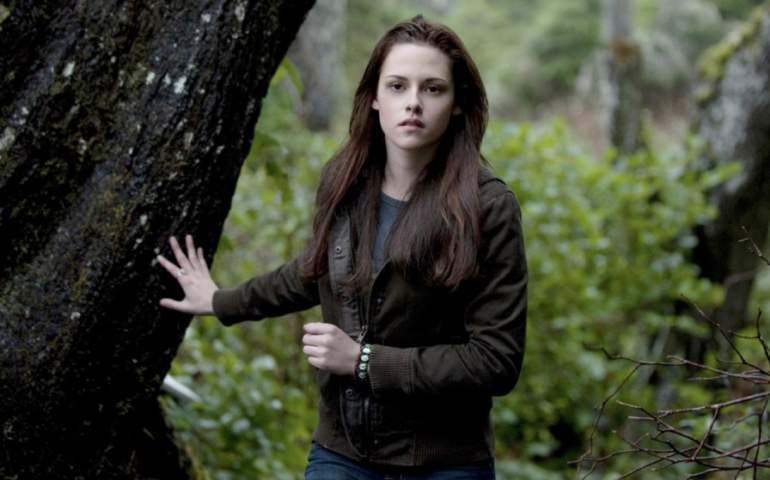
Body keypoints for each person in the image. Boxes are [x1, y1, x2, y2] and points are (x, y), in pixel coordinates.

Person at [157, 15, 527, 480]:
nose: (413, 102)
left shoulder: (489, 207)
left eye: (433, 88)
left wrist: (362, 361)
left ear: (456, 104)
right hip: (343, 451)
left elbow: (496, 361)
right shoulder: (345, 181)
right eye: (397, 86)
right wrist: (219, 300)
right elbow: (313, 272)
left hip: (446, 461)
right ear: (374, 97)